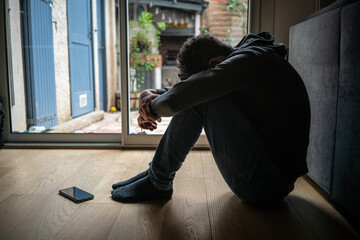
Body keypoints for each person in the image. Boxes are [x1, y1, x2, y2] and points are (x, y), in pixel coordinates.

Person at [111, 32, 310, 206]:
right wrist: (152, 93)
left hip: (266, 187)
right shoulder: (251, 57)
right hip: (270, 176)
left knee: (202, 98)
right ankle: (156, 176)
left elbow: (180, 98)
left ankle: (158, 181)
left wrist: (150, 108)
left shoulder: (249, 61)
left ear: (214, 64)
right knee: (199, 94)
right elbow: (191, 88)